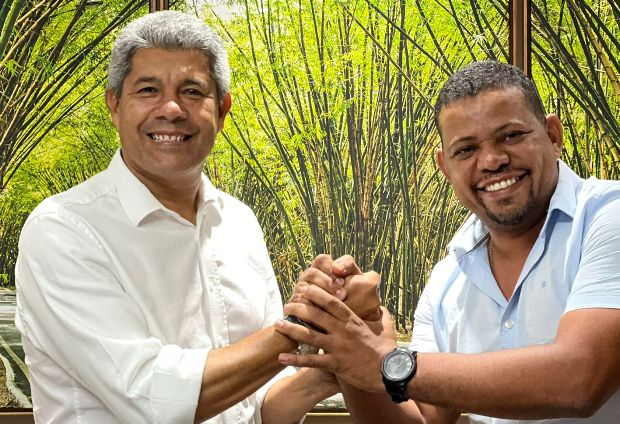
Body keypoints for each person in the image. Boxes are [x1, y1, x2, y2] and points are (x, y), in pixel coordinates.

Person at [274, 60, 620, 423]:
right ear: (445, 166)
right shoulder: (448, 280)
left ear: (553, 135)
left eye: (511, 136)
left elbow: (581, 378)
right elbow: (421, 416)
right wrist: (350, 337)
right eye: (466, 149)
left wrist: (386, 362)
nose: (493, 161)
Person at [14, 11, 380, 424]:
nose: (171, 109)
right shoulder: (63, 230)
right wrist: (303, 323)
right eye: (148, 90)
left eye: (192, 92)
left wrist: (336, 349)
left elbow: (260, 409)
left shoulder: (239, 222)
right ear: (114, 105)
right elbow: (153, 400)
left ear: (222, 111)